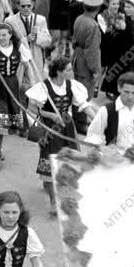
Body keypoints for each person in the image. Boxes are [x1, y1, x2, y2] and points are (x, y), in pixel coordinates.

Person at [26, 57, 95, 216]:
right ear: (58, 72)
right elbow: (32, 109)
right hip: (50, 130)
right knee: (50, 164)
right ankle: (53, 201)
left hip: (67, 128)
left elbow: (84, 106)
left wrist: (98, 119)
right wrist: (49, 114)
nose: (72, 72)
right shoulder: (43, 87)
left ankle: (66, 196)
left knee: (68, 161)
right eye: (69, 69)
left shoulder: (73, 86)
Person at [0, 23, 32, 171]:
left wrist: (31, 84)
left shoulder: (19, 48)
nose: (1, 38)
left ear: (10, 35)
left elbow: (27, 67)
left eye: (4, 35)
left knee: (9, 122)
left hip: (12, 86)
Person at [5, 0, 52, 94]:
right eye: (23, 6)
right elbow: (6, 41)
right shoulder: (10, 21)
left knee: (35, 86)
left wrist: (36, 38)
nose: (26, 8)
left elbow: (48, 41)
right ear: (18, 6)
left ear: (33, 5)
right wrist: (25, 39)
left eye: (28, 6)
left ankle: (32, 109)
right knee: (17, 86)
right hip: (18, 58)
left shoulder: (40, 19)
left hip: (36, 57)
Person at [71, 0, 104, 97]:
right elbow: (92, 50)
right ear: (98, 9)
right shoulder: (93, 25)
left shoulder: (79, 18)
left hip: (77, 56)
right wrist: (95, 70)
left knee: (77, 90)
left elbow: (74, 40)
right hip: (86, 62)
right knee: (85, 95)